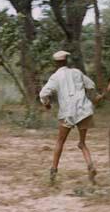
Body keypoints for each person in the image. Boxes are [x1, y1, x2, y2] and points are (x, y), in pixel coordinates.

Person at [39, 50, 98, 184]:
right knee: (82, 143)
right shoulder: (77, 72)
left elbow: (43, 94)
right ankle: (90, 165)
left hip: (68, 113)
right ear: (66, 61)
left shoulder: (55, 77)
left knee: (60, 142)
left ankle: (53, 171)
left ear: (55, 63)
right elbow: (91, 85)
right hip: (84, 110)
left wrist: (46, 104)